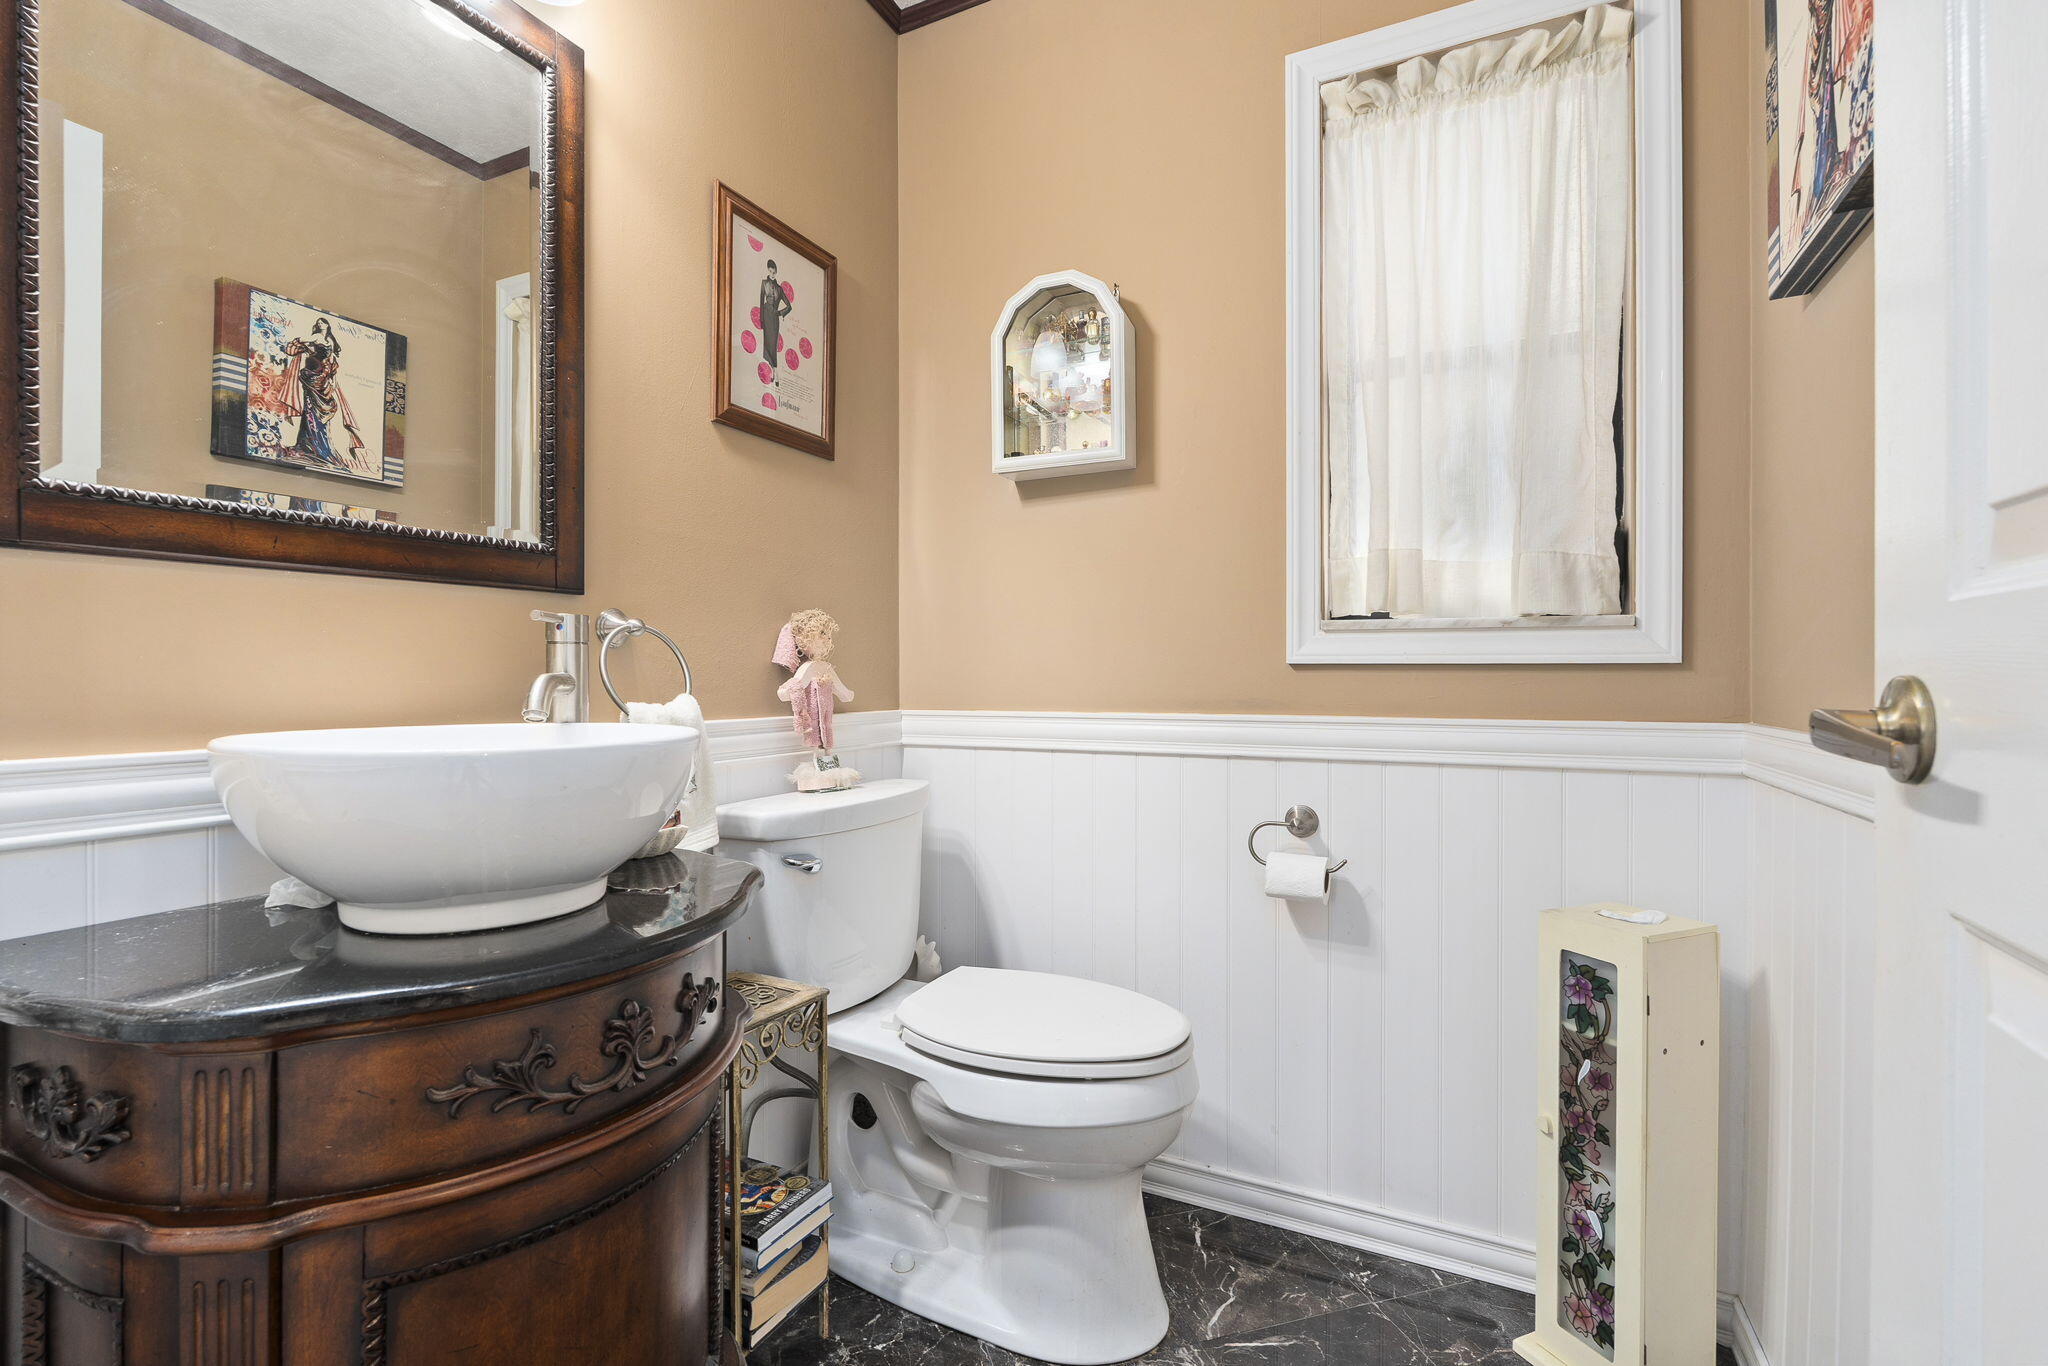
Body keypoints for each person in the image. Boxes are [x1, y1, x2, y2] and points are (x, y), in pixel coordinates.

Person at [759, 261, 793, 385]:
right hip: (766, 316)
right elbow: (760, 301)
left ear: (776, 272)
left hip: (774, 319)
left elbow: (789, 306)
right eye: (770, 271)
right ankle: (774, 374)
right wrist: (761, 320)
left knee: (772, 346)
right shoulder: (763, 283)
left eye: (774, 272)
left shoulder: (780, 288)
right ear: (768, 271)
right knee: (767, 345)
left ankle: (776, 374)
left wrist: (780, 313)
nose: (772, 274)